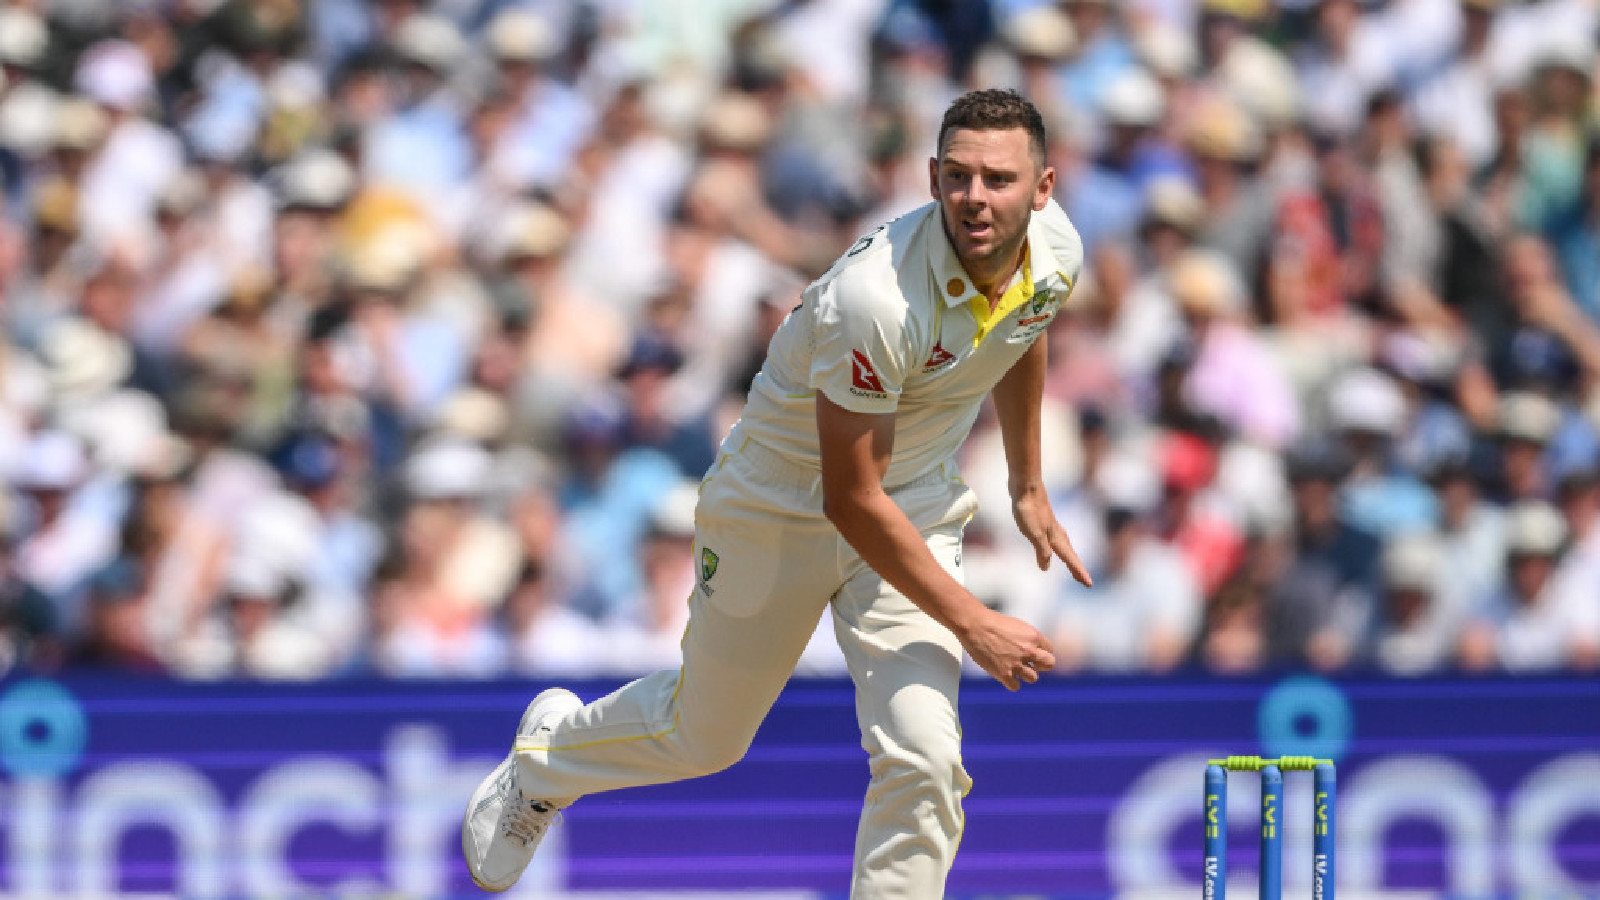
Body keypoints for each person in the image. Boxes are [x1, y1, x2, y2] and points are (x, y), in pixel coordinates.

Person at [461, 89, 1092, 898]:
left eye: (999, 180)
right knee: (704, 739)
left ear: (1042, 189)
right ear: (932, 176)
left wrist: (1027, 484)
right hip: (782, 505)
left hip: (915, 500)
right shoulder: (876, 299)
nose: (976, 198)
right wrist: (973, 622)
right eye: (959, 176)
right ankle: (545, 762)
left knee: (928, 761)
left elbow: (1023, 326)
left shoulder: (1055, 249)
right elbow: (851, 500)